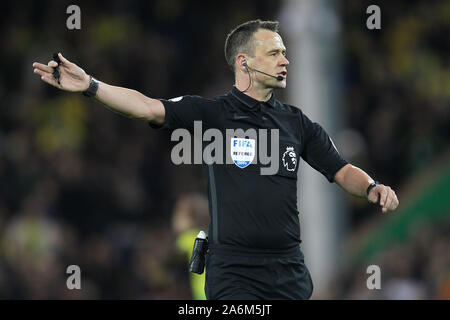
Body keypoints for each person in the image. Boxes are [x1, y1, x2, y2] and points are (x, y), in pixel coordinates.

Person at [32, 19, 399, 299]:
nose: (285, 60)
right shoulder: (213, 114)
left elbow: (341, 169)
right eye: (274, 53)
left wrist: (372, 187)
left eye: (285, 52)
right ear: (245, 62)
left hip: (288, 270)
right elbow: (146, 106)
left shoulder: (297, 123)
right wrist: (92, 86)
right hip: (234, 272)